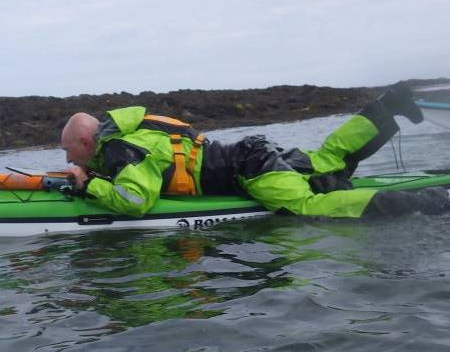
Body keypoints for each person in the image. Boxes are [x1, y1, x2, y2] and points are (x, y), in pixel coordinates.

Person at [61, 83, 450, 218]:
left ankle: (434, 199)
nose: (67, 161)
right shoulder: (135, 126)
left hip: (252, 170)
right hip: (255, 154)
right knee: (327, 161)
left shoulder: (118, 147)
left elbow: (134, 199)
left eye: (69, 153)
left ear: (85, 141)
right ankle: (387, 106)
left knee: (308, 208)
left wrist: (86, 187)